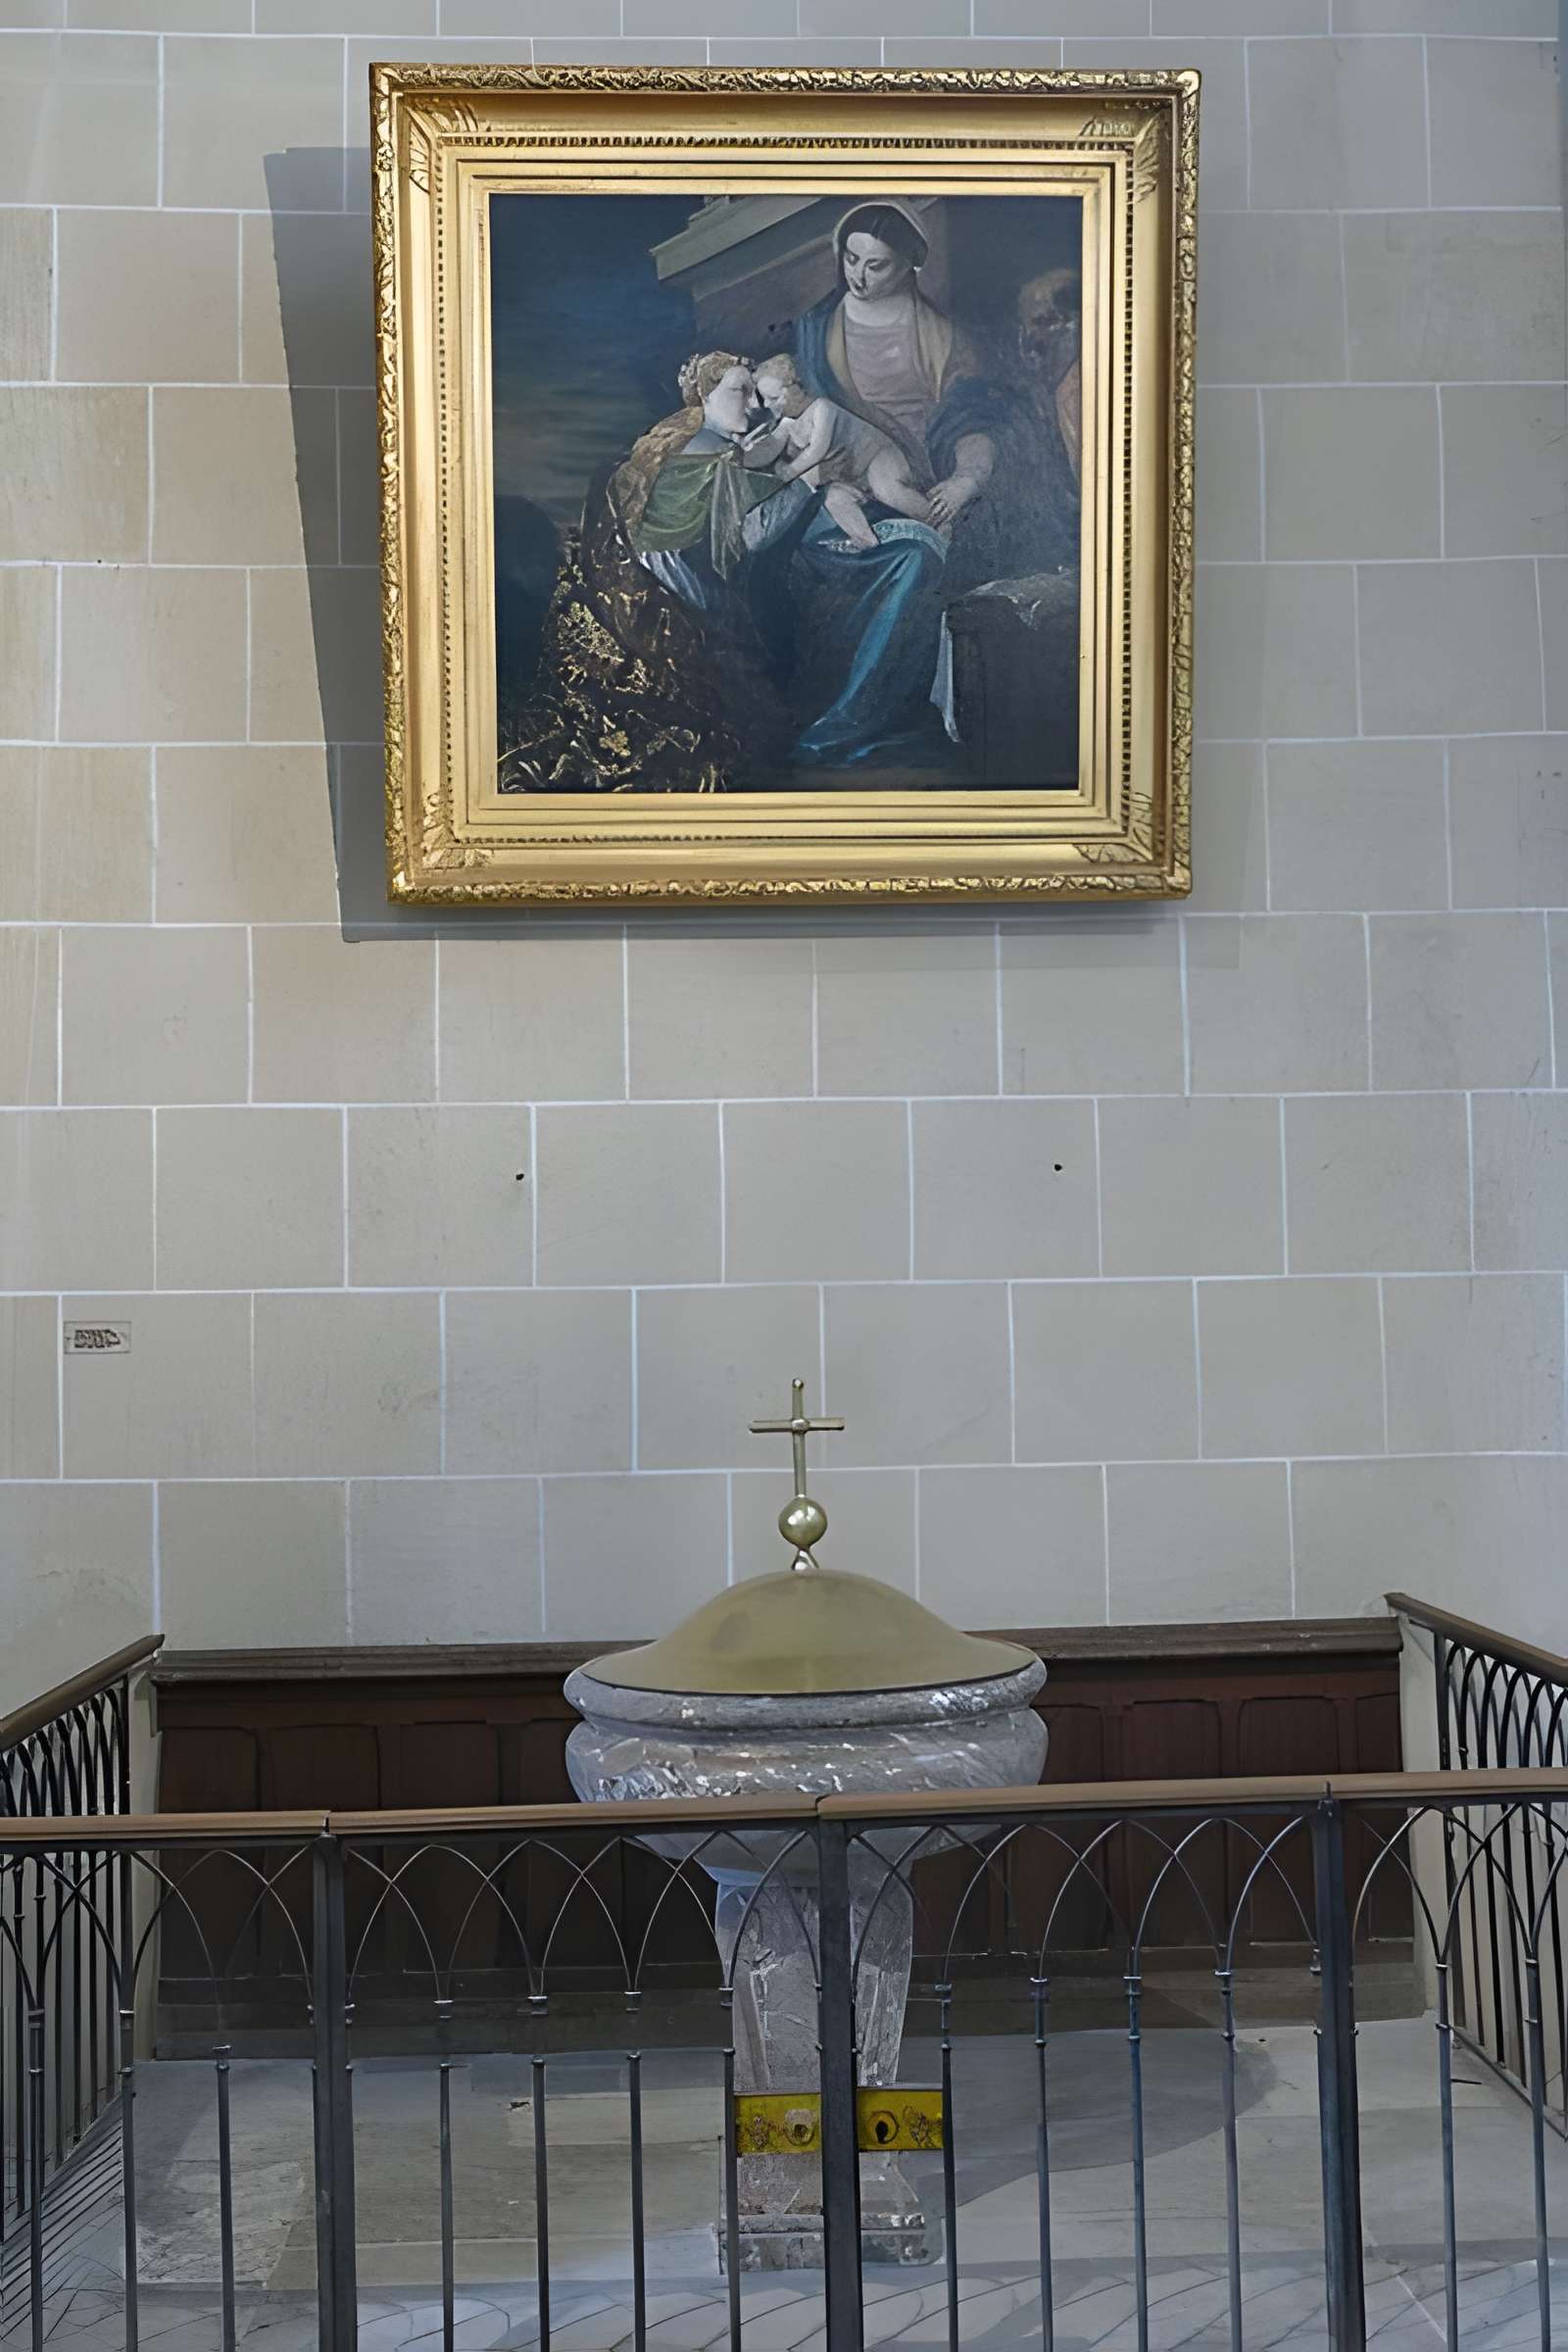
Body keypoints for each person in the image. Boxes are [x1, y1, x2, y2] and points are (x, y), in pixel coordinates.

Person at [498, 350, 820, 793]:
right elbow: (754, 534)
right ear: (705, 395)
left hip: (634, 569)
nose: (752, 403)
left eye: (754, 392)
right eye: (740, 391)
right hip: (665, 580)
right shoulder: (715, 456)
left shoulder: (672, 438)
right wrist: (809, 479)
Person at [749, 353, 932, 553]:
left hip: (876, 457)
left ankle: (938, 520)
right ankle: (864, 539)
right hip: (848, 475)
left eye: (773, 398)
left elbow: (817, 451)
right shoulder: (787, 423)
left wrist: (789, 473)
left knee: (887, 491)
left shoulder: (823, 408)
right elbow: (770, 447)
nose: (767, 405)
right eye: (765, 399)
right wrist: (744, 458)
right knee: (834, 499)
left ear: (796, 389)